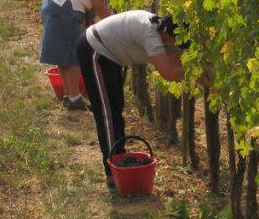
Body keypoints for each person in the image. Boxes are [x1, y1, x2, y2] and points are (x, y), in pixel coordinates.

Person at [77, 11, 186, 187]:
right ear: (169, 36)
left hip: (109, 56)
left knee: (116, 110)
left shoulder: (158, 27)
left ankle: (118, 162)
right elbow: (169, 72)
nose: (176, 46)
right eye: (177, 42)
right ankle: (112, 173)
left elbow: (175, 62)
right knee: (108, 115)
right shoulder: (151, 36)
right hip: (94, 50)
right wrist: (202, 73)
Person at [40, 0, 115, 111]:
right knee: (74, 54)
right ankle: (75, 98)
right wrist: (118, 22)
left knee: (63, 54)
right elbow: (98, 5)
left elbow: (81, 6)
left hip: (51, 3)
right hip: (64, 6)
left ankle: (70, 96)